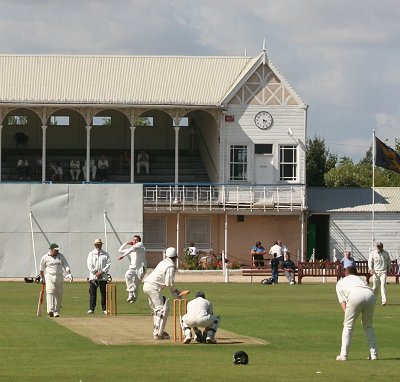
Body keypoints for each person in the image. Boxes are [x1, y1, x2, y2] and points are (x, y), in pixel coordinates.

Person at [335, 266, 378, 361]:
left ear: (346, 273)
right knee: (368, 326)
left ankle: (343, 355)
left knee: (348, 326)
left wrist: (349, 315)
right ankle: (374, 354)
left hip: (355, 295)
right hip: (370, 295)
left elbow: (343, 302)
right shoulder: (361, 279)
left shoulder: (340, 283)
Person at [143, 247, 181, 340]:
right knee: (161, 310)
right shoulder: (170, 266)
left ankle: (157, 330)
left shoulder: (162, 262)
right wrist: (176, 292)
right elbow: (169, 283)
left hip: (146, 285)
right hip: (153, 288)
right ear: (175, 258)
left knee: (157, 310)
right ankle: (157, 333)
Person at [39, 243, 73, 317]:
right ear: (51, 250)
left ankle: (56, 311)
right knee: (51, 290)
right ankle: (50, 310)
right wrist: (42, 277)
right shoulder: (45, 257)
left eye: (58, 250)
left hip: (59, 277)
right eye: (56, 250)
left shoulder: (61, 256)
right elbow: (41, 269)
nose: (57, 251)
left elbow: (66, 265)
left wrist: (69, 273)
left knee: (59, 293)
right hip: (49, 276)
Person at [118, 235, 147, 303]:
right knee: (127, 275)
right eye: (133, 240)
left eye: (136, 240)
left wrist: (123, 256)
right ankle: (130, 293)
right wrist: (126, 243)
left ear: (139, 241)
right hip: (133, 268)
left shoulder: (140, 245)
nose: (134, 241)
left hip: (141, 269)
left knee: (135, 285)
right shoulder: (132, 249)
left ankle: (134, 297)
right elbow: (120, 250)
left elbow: (131, 249)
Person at [87, 238, 112, 314]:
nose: (98, 245)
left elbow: (108, 264)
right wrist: (96, 272)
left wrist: (102, 272)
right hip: (93, 277)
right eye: (97, 244)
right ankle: (91, 309)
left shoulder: (105, 254)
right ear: (95, 245)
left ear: (101, 245)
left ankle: (104, 309)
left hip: (103, 277)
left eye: (99, 244)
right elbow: (89, 264)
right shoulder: (91, 254)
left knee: (104, 293)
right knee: (92, 293)